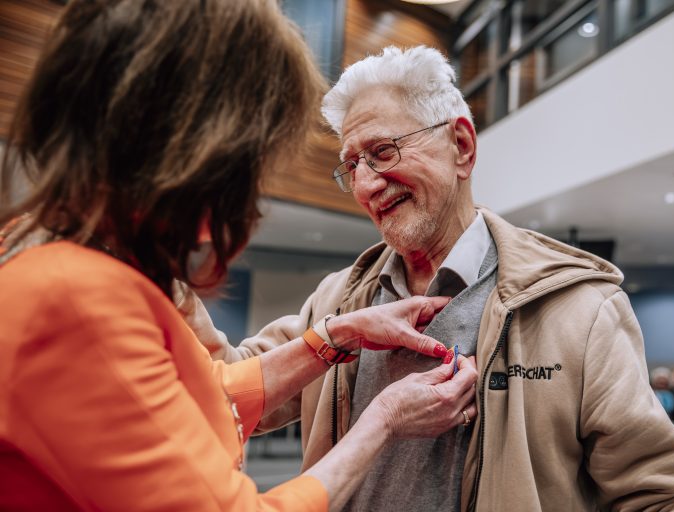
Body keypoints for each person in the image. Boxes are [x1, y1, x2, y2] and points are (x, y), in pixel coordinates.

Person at [188, 46, 674, 510]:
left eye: (382, 151)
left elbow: (669, 496)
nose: (367, 184)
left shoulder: (578, 310)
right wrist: (154, 264)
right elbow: (226, 389)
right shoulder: (339, 298)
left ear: (461, 147)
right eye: (351, 166)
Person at [0, 4, 479, 511]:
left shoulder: (80, 265)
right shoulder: (76, 297)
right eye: (246, 163)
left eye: (384, 152)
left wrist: (338, 335)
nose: (363, 185)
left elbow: (209, 392)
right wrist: (383, 420)